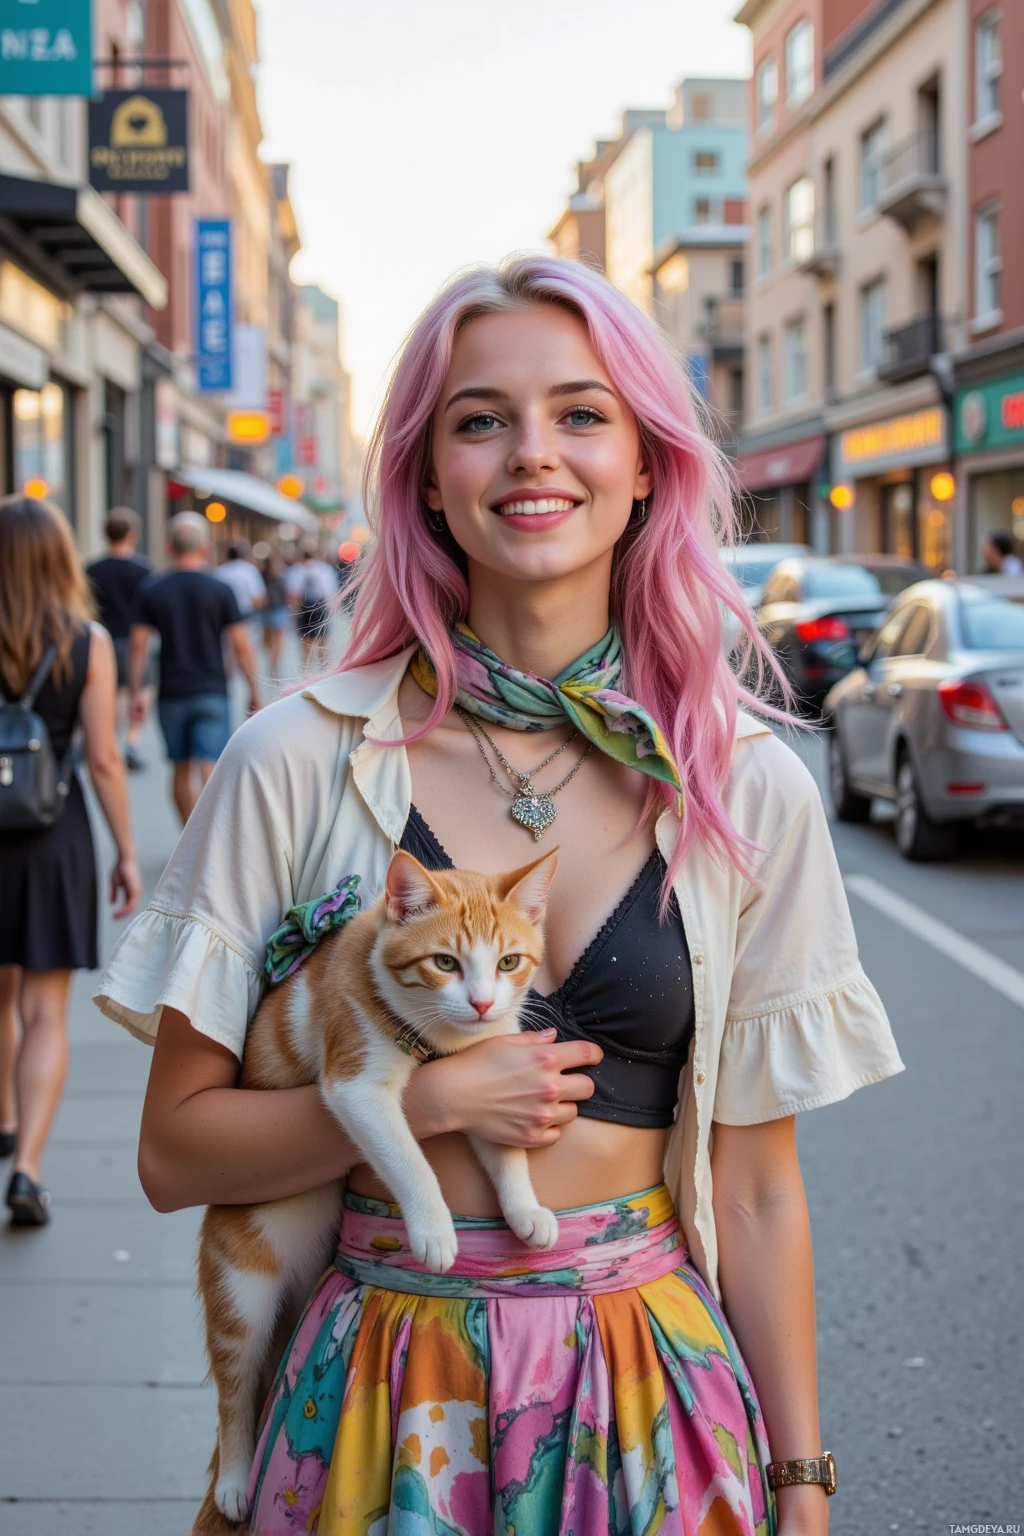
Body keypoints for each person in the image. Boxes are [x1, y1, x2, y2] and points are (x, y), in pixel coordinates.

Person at [95, 258, 905, 1535]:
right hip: (375, 1396)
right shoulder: (295, 762)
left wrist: (803, 1487)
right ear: (426, 473)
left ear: (647, 462)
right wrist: (420, 1102)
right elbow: (172, 1150)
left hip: (649, 1393)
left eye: (582, 414)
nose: (534, 453)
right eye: (481, 420)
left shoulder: (744, 785)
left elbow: (754, 1185)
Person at [0, 495, 141, 1226]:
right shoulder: (88, 642)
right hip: (54, 836)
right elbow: (106, 760)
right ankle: (27, 1167)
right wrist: (124, 851)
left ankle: (2, 1114)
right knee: (43, 1009)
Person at [127, 513, 261, 825]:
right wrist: (254, 690)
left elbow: (138, 645)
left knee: (180, 767)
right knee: (210, 766)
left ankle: (189, 835)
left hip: (171, 691)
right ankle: (209, 839)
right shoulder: (219, 589)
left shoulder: (153, 589)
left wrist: (136, 691)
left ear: (169, 547)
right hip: (212, 689)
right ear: (204, 547)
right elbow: (241, 644)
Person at [85, 507, 152, 772]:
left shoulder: (92, 569)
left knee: (107, 694)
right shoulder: (143, 570)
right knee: (139, 691)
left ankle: (108, 741)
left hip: (100, 640)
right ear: (133, 535)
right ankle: (131, 742)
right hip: (135, 640)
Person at [284, 537, 338, 669]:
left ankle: (308, 667)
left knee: (308, 641)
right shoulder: (324, 569)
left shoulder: (296, 570)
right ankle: (321, 666)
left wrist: (294, 612)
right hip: (316, 607)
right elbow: (330, 592)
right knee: (321, 640)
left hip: (309, 608)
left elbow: (292, 594)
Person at [259, 547, 292, 682]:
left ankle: (273, 666)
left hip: (270, 611)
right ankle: (274, 666)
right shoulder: (281, 575)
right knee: (276, 643)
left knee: (270, 643)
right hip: (276, 611)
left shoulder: (264, 575)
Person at [215, 537, 268, 618]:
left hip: (226, 614)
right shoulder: (249, 570)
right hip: (246, 613)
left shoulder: (221, 571)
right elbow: (258, 597)